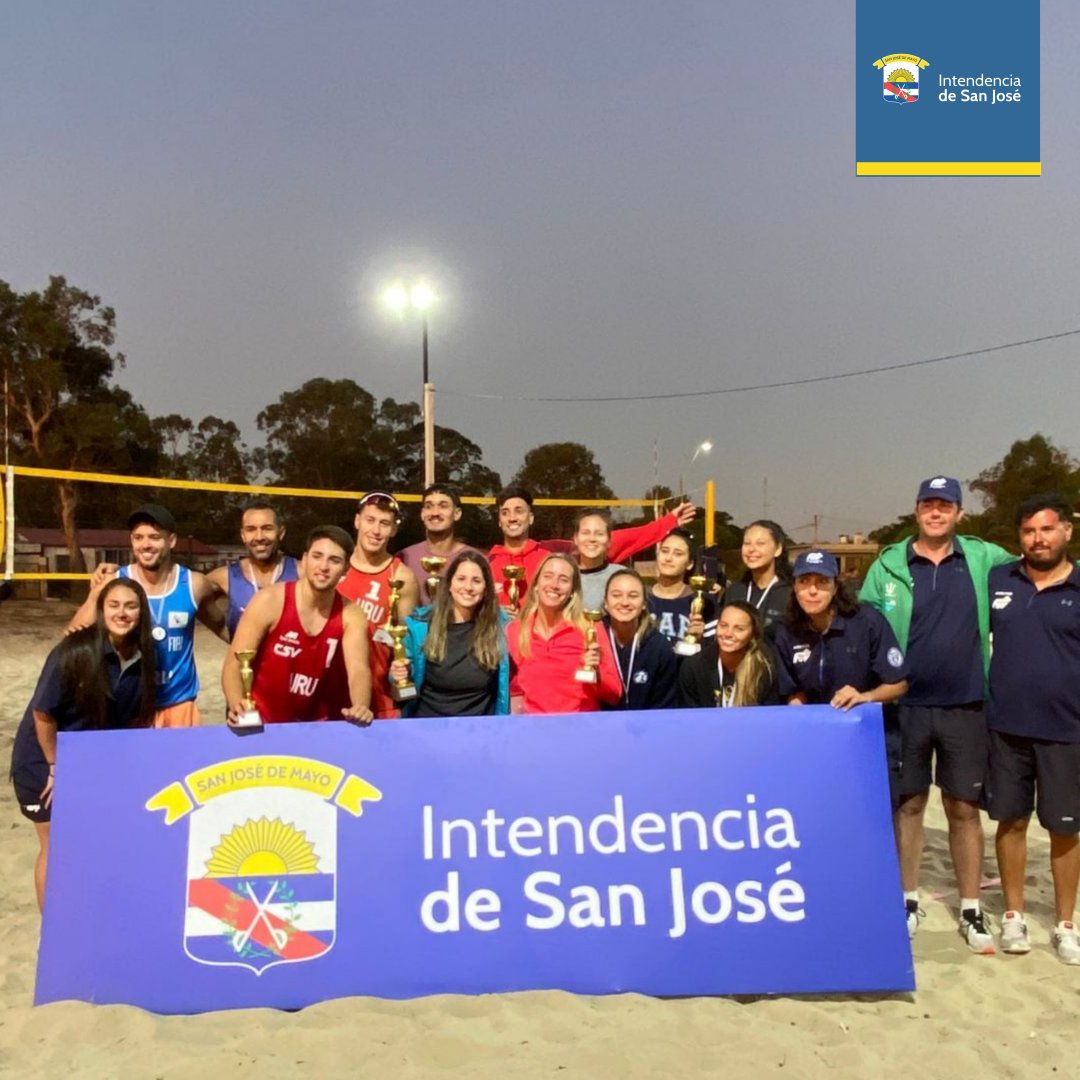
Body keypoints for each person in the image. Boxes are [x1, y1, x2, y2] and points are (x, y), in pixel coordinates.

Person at [860, 475, 1014, 951]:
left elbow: (1040, 572)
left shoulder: (984, 558)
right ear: (916, 510)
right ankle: (907, 899)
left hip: (966, 703)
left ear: (958, 514)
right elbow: (863, 626)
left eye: (945, 506)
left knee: (964, 808)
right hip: (904, 705)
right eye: (928, 504)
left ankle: (970, 908)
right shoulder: (887, 563)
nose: (936, 512)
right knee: (909, 805)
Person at [11, 578, 156, 910]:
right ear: (102, 610)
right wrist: (54, 767)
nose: (123, 613)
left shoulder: (144, 657)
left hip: (89, 761)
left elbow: (131, 719)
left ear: (141, 612)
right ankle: (53, 929)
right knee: (54, 844)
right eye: (114, 605)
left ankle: (85, 913)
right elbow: (42, 713)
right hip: (43, 762)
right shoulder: (74, 650)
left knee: (92, 843)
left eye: (131, 606)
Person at [985, 493, 1080, 964]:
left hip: (1066, 729)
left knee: (1065, 829)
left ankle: (1065, 924)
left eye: (1046, 529)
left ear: (1066, 530)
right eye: (1028, 531)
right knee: (1011, 821)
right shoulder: (999, 579)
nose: (1037, 539)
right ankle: (1014, 915)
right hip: (1006, 727)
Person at [773, 549, 909, 802]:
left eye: (822, 582)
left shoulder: (867, 621)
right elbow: (792, 688)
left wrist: (864, 697)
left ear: (836, 587)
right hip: (815, 743)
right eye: (804, 582)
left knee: (873, 819)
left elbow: (898, 683)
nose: (812, 591)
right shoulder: (786, 629)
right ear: (795, 587)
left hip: (868, 742)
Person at [68, 503, 220, 727]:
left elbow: (224, 624)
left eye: (154, 537)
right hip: (129, 705)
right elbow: (72, 638)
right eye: (138, 537)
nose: (145, 544)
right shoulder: (114, 583)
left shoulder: (194, 584)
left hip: (178, 705)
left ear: (171, 541)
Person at [223, 526, 372, 725]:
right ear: (305, 560)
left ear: (346, 568)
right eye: (317, 556)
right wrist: (236, 704)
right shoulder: (270, 600)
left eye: (334, 560)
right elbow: (234, 664)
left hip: (318, 726)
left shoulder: (351, 614)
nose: (324, 566)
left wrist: (361, 706)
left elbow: (358, 670)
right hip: (263, 723)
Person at [487, 486, 698, 609]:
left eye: (519, 511)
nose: (512, 518)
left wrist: (666, 523)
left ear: (530, 517)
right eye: (505, 512)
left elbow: (609, 541)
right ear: (498, 520)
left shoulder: (552, 555)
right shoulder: (487, 562)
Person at [388, 551, 511, 716]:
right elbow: (402, 689)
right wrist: (398, 676)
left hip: (481, 731)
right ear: (449, 585)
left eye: (476, 581)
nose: (468, 587)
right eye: (461, 579)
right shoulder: (420, 625)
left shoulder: (501, 627)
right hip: (428, 729)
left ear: (486, 589)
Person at [336, 492, 420, 720]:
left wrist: (402, 674)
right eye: (370, 520)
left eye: (384, 524)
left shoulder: (402, 576)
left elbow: (406, 644)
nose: (375, 530)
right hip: (329, 696)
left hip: (379, 701)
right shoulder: (334, 565)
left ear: (393, 530)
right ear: (357, 521)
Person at [507, 553, 621, 714]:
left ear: (573, 591)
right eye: (548, 576)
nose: (554, 585)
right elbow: (512, 690)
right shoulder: (515, 630)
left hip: (579, 730)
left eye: (564, 579)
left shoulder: (590, 628)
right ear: (536, 585)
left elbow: (614, 695)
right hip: (533, 731)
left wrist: (596, 673)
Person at [205, 500, 299, 640]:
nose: (259, 537)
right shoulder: (224, 576)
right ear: (243, 535)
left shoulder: (303, 572)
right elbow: (190, 597)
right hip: (244, 661)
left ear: (281, 532)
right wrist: (223, 631)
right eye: (251, 529)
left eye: (267, 528)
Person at [678, 600, 780, 708]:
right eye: (723, 626)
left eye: (739, 629)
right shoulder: (694, 667)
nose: (728, 634)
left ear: (753, 634)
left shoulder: (765, 669)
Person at [602, 569, 679, 710]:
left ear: (644, 603)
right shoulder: (593, 639)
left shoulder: (659, 646)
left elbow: (664, 705)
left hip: (645, 728)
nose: (624, 602)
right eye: (616, 595)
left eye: (633, 596)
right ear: (606, 602)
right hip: (599, 727)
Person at [398, 484, 475, 605]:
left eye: (443, 506)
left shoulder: (474, 559)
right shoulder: (404, 558)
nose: (435, 513)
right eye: (429, 506)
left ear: (457, 513)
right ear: (422, 514)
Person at [647, 527, 716, 647]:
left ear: (690, 563)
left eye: (678, 554)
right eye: (664, 551)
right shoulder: (641, 597)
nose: (668, 558)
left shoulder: (703, 602)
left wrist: (702, 640)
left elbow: (716, 650)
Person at [724, 520, 793, 637]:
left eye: (760, 543)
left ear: (778, 549)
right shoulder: (735, 590)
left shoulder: (790, 593)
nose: (751, 549)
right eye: (747, 543)